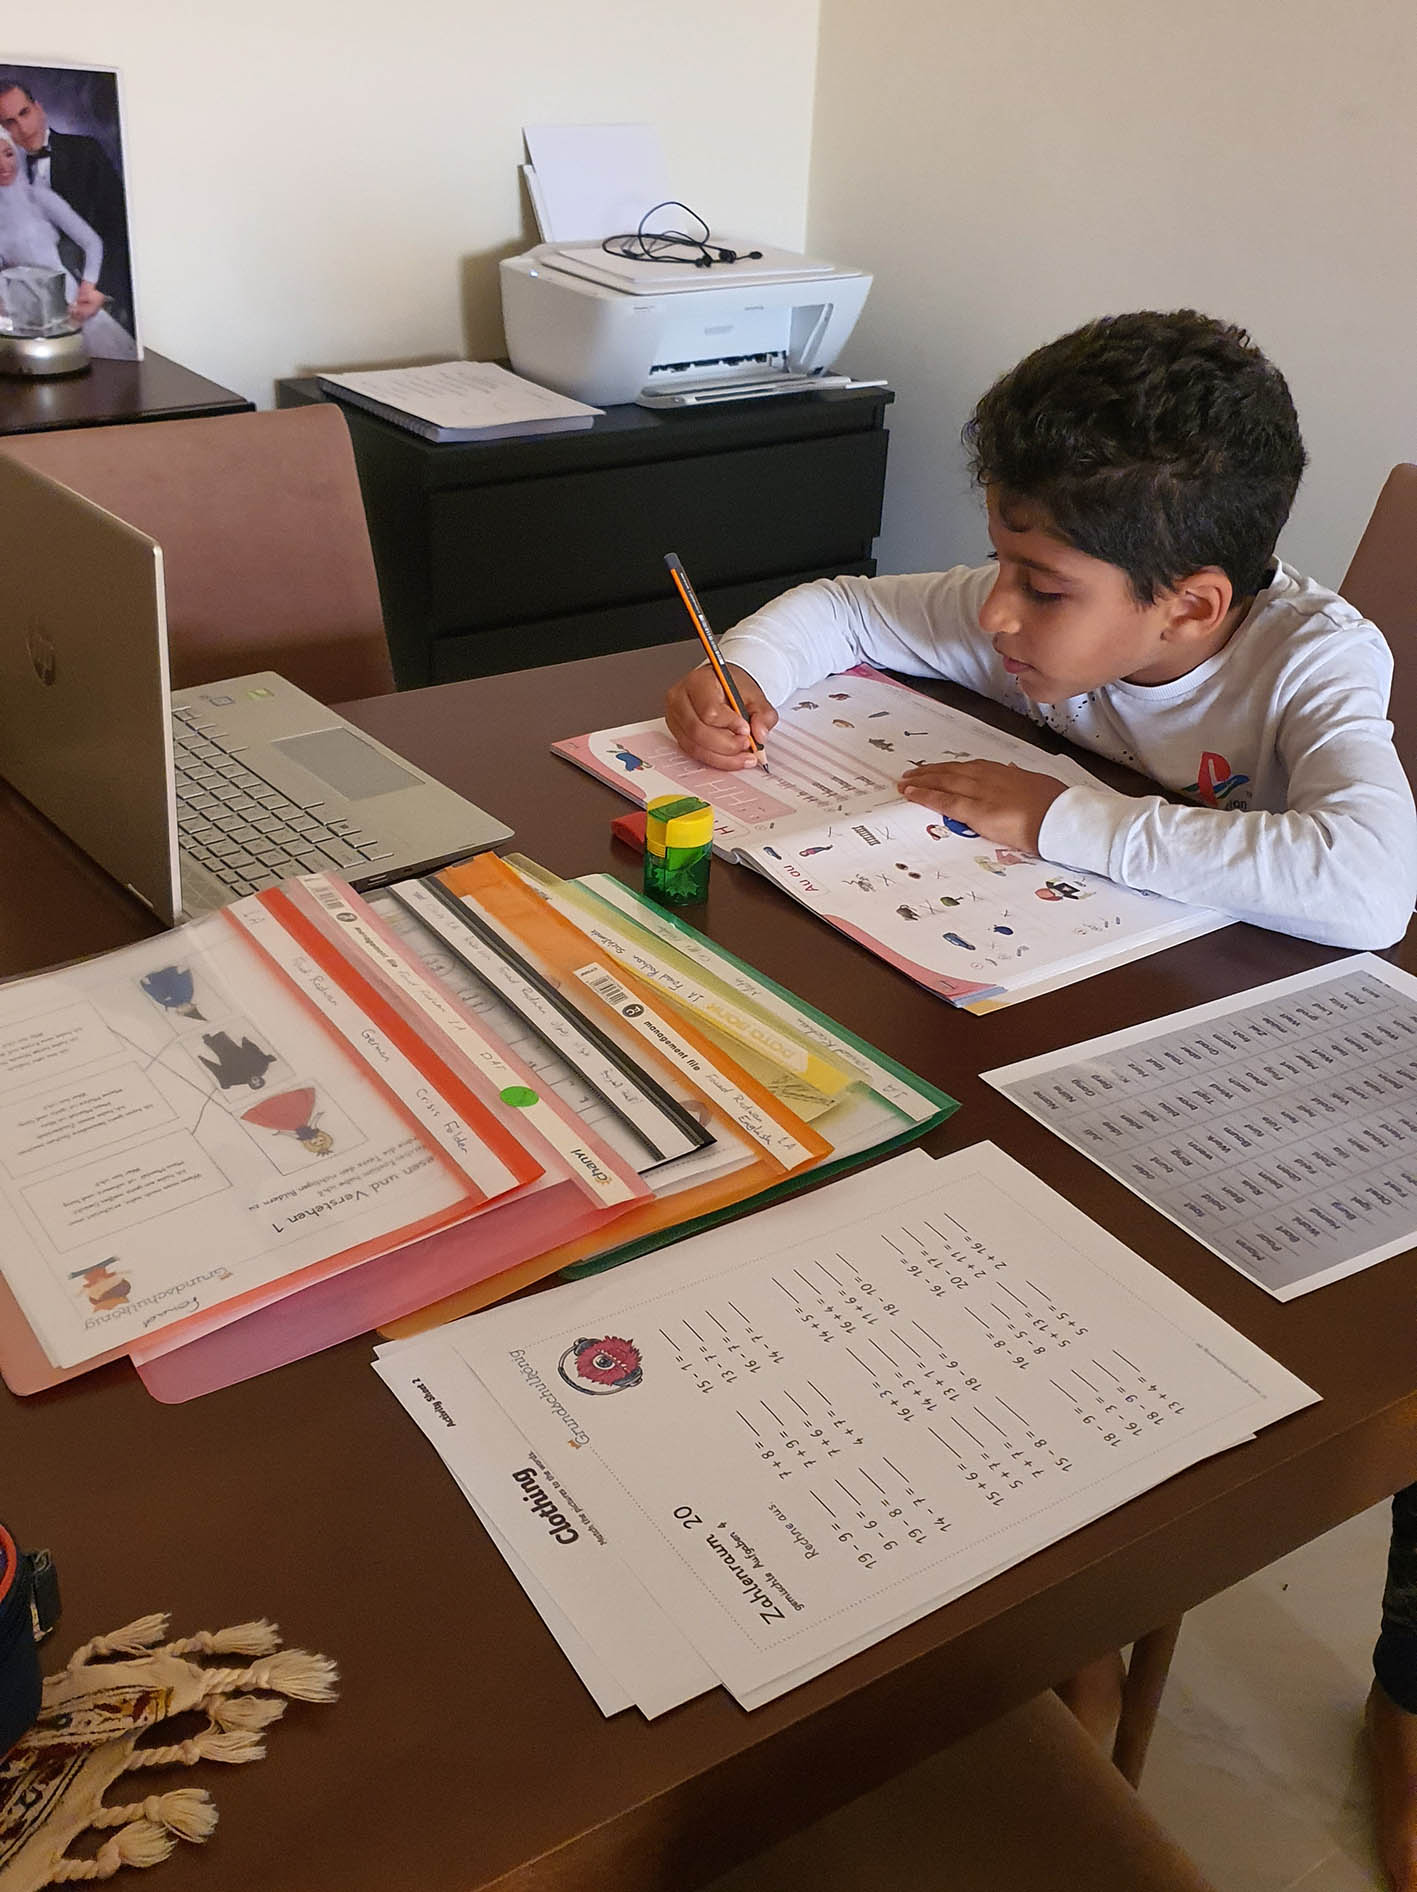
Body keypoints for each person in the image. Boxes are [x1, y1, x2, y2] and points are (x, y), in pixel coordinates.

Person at [664, 309, 1417, 1885]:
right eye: (1001, 565)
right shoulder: (1050, 601)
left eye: (1040, 587)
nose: (995, 611)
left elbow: (1366, 885)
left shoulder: (1313, 658)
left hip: (1279, 1085)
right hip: (1076, 1030)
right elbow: (845, 609)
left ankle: (1361, 1689)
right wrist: (741, 675)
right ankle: (1048, 1650)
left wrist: (1060, 815)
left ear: (1187, 605)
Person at [0, 75, 133, 337]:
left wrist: (98, 290)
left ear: (39, 108)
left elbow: (118, 227)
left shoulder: (85, 152)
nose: (22, 128)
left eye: (25, 113)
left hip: (88, 297)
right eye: (9, 122)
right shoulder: (8, 177)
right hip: (27, 312)